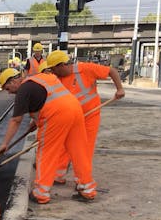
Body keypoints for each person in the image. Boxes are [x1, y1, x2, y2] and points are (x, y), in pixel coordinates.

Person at [0, 65, 97, 205]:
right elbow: (45, 99)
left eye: (7, 88)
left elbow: (16, 120)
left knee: (47, 152)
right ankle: (87, 189)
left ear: (13, 81)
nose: (9, 93)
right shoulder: (39, 79)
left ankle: (41, 193)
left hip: (56, 115)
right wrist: (34, 122)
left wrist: (5, 144)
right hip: (75, 109)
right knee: (78, 150)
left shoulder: (23, 90)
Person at [46, 50, 125, 184]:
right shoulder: (56, 80)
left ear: (61, 65)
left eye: (54, 69)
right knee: (63, 145)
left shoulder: (85, 69)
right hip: (70, 117)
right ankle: (58, 175)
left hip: (90, 116)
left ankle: (83, 182)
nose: (53, 72)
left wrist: (120, 89)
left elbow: (112, 71)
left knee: (84, 150)